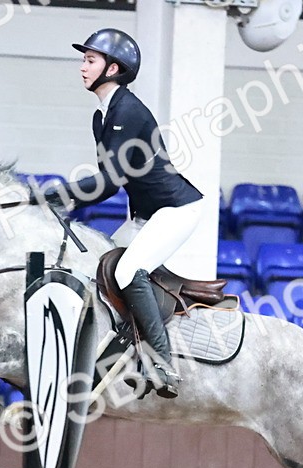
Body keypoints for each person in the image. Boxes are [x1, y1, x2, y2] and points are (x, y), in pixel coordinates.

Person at [52, 28, 206, 399]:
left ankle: (163, 364)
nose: (82, 67)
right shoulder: (102, 116)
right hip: (145, 215)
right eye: (84, 60)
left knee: (126, 270)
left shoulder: (129, 111)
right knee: (99, 266)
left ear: (113, 67)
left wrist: (57, 196)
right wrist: (65, 199)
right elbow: (108, 181)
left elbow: (108, 183)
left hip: (176, 210)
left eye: (90, 60)